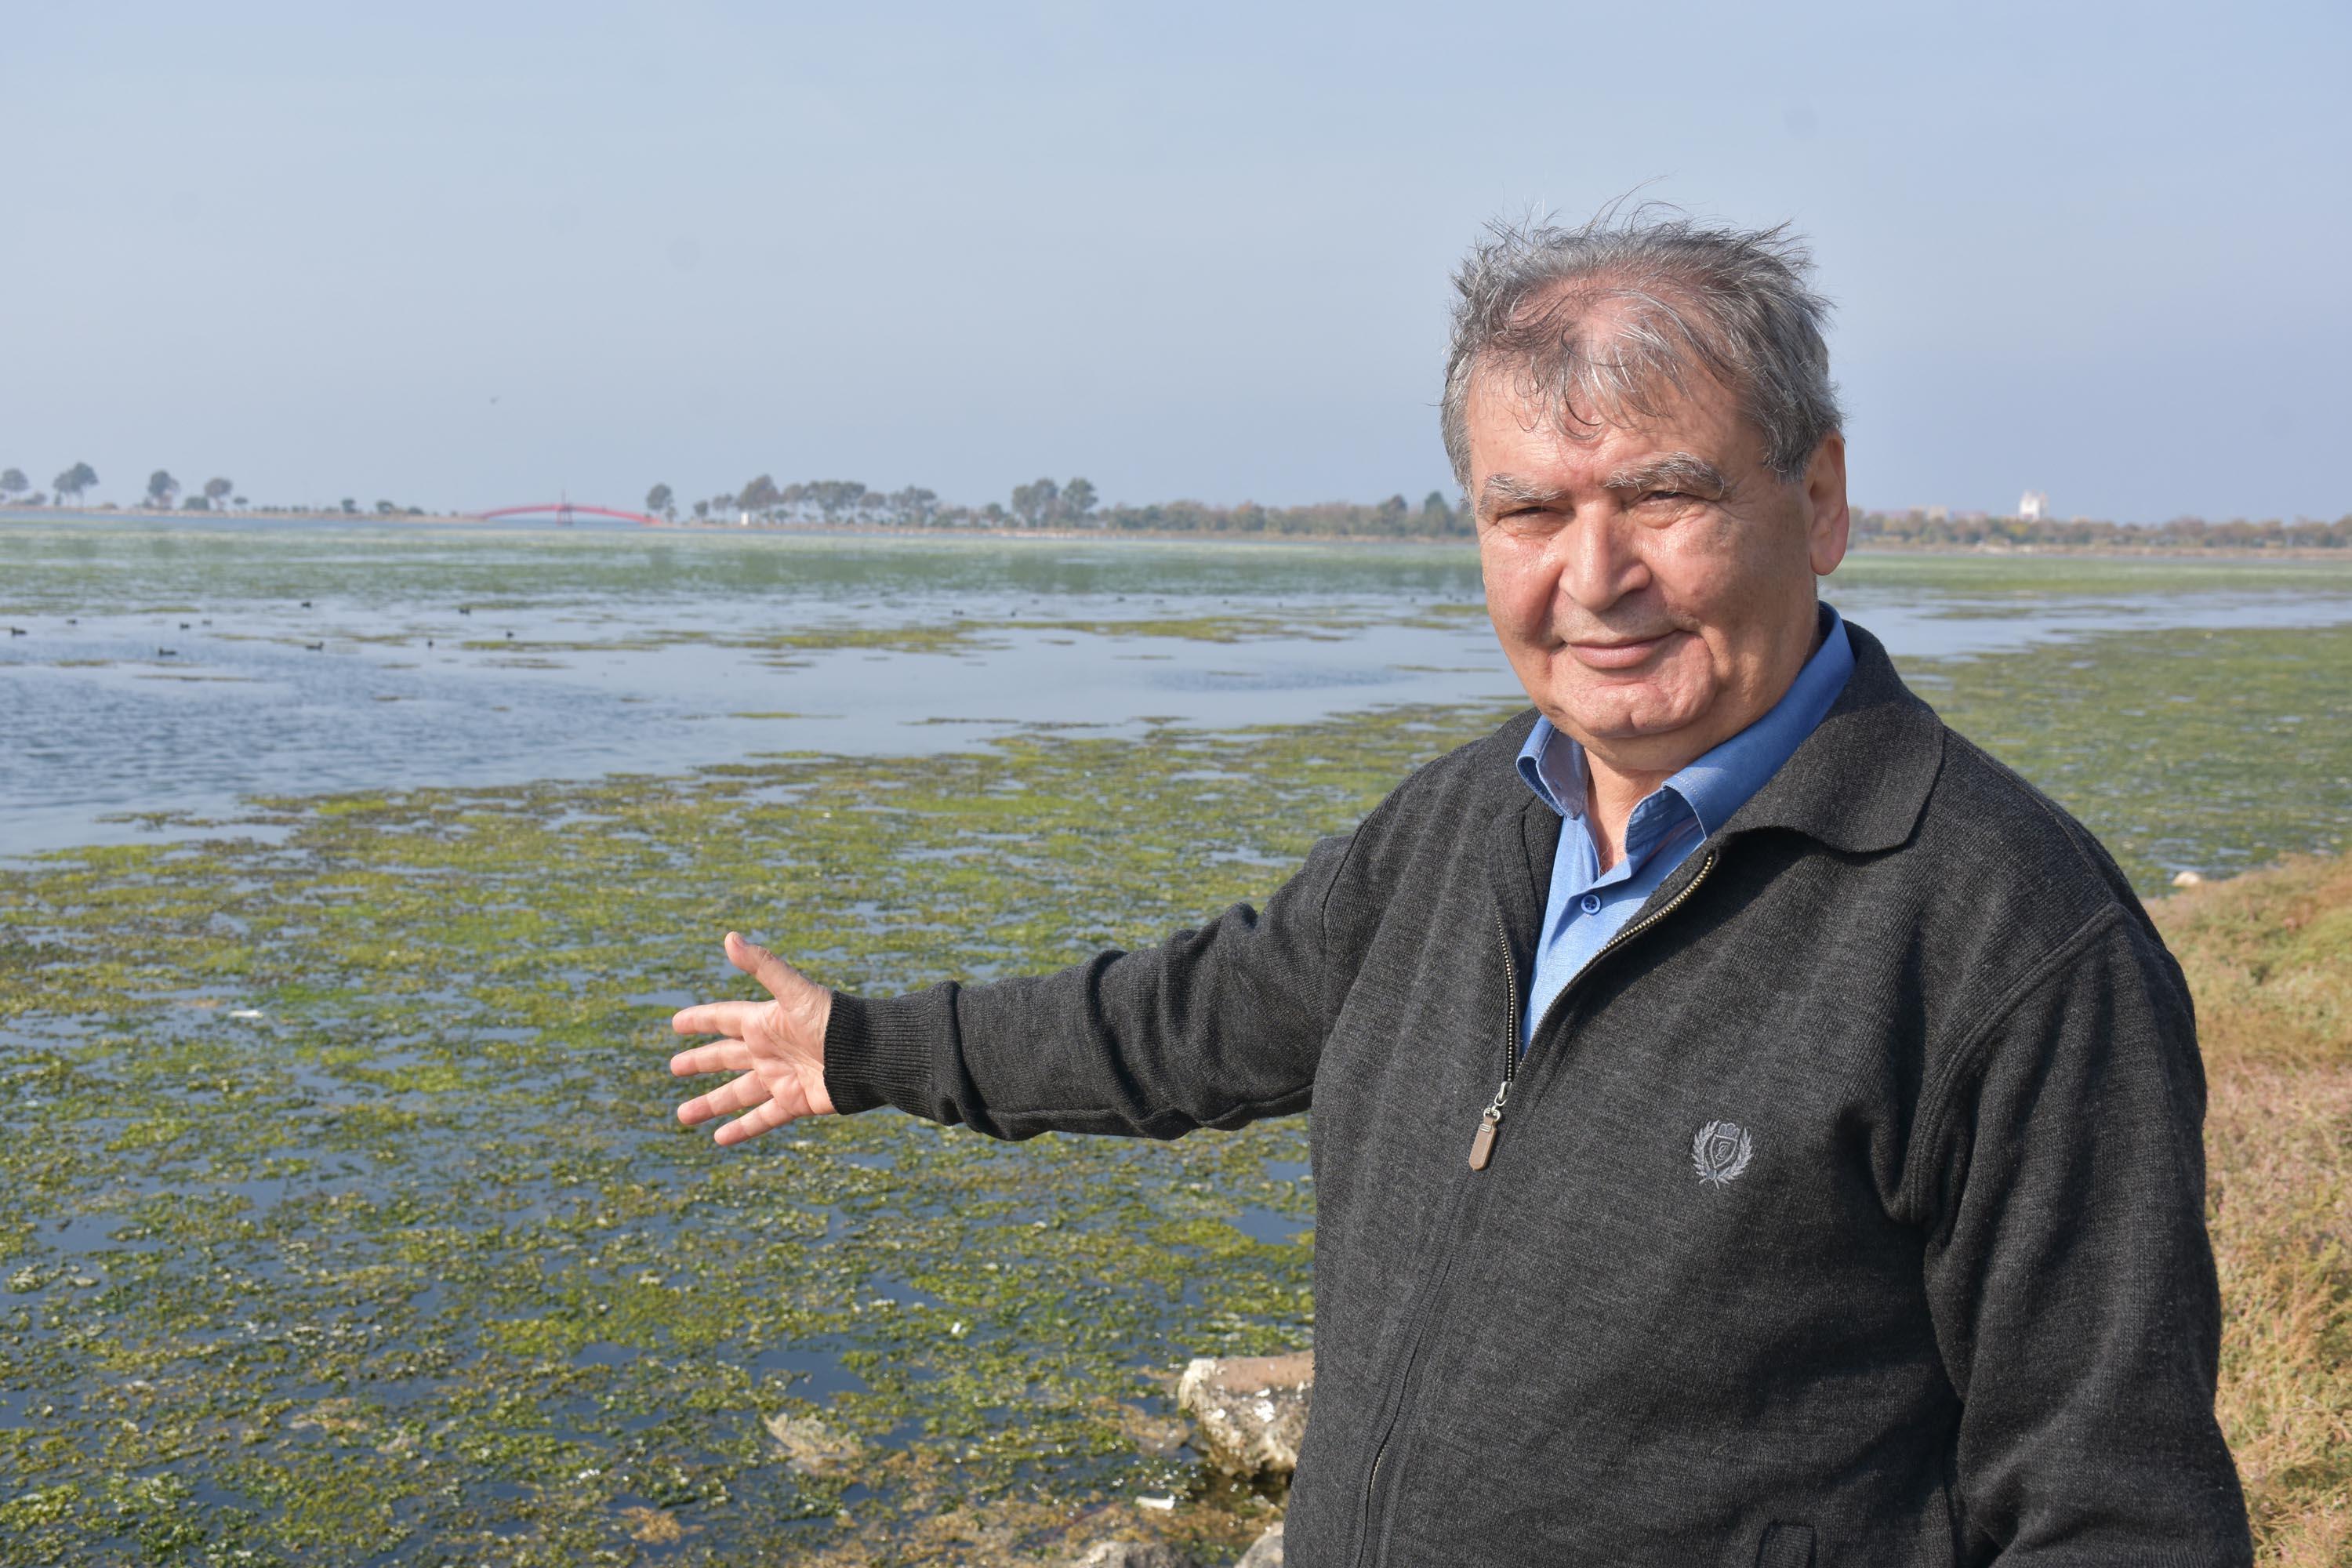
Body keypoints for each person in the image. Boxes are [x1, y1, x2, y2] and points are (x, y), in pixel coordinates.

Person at [666, 212, 2252, 1566]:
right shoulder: (1465, 826)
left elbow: (2116, 1503)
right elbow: (1186, 1020)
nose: (1595, 574)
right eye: (1531, 512)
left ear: (1820, 499)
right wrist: (866, 1050)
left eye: (1665, 494)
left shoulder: (2007, 933)